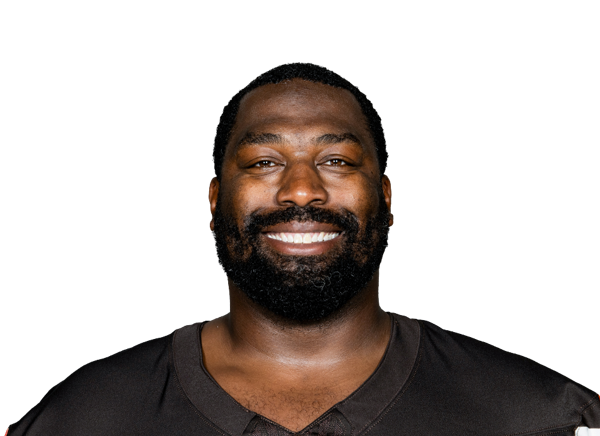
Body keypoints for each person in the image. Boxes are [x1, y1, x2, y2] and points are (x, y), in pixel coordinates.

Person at [6, 63, 598, 435]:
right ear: (214, 199)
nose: (301, 190)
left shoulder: (548, 417)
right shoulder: (80, 419)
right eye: (264, 162)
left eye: (336, 160)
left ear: (385, 196)